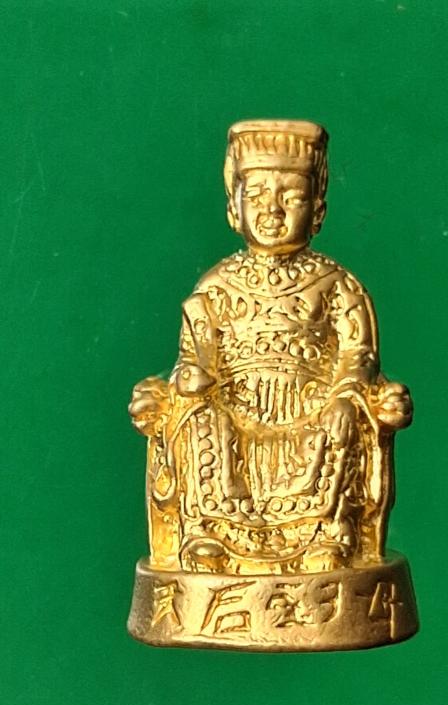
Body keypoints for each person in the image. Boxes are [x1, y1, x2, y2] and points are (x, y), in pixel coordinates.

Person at [129, 120, 412, 574]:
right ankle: (210, 535)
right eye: (257, 196)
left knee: (344, 417)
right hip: (235, 407)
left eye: (292, 198)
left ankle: (325, 535)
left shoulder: (338, 285)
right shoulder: (216, 286)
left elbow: (358, 355)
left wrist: (351, 393)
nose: (273, 211)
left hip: (312, 407)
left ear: (317, 210)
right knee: (197, 415)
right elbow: (194, 356)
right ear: (233, 208)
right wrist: (187, 380)